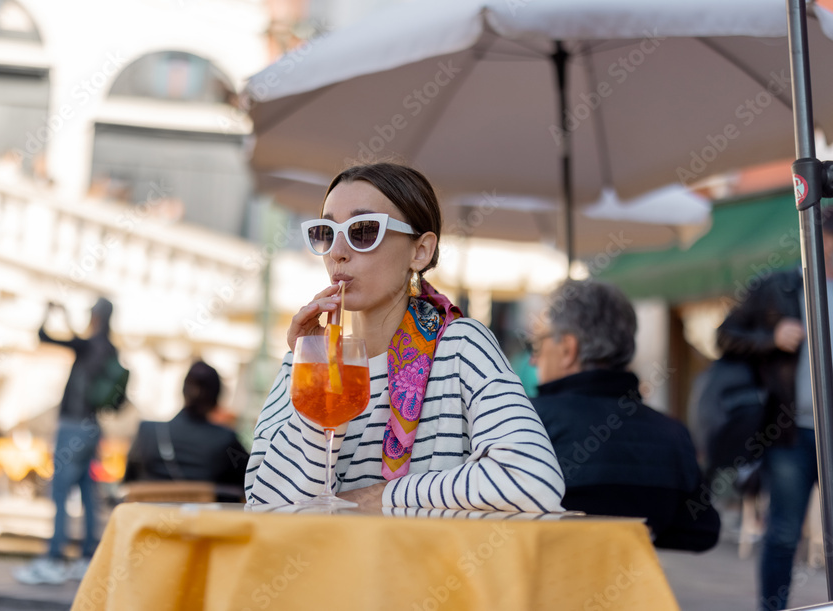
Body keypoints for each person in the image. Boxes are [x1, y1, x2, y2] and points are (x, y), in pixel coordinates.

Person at [244, 163, 565, 511]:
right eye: (325, 232)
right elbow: (264, 507)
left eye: (363, 230)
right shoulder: (308, 359)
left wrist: (382, 495)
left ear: (420, 251)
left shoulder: (459, 346)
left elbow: (533, 480)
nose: (338, 252)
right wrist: (319, 376)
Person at [530, 279, 721, 552]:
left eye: (536, 345)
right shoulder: (672, 433)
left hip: (538, 588)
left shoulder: (528, 422)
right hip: (632, 590)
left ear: (567, 349)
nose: (532, 360)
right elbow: (701, 531)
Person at [716, 214, 833, 610]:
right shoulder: (777, 286)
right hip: (789, 431)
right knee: (783, 534)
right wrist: (772, 338)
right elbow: (724, 337)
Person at [13, 297, 117, 585]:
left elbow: (45, 336)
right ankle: (87, 557)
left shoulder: (89, 346)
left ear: (96, 316)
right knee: (87, 492)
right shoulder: (109, 349)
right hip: (93, 427)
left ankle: (55, 558)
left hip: (73, 426)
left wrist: (52, 314)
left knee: (59, 492)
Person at [123, 360, 249, 501]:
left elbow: (128, 481)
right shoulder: (226, 440)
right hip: (203, 521)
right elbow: (249, 484)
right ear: (216, 398)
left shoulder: (146, 431)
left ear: (183, 391)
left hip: (149, 520)